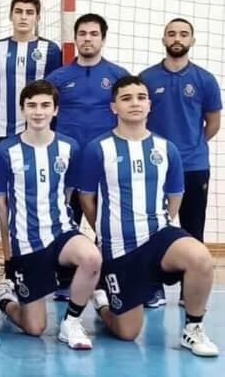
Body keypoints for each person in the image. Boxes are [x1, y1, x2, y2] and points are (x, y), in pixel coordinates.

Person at [79, 76, 218, 357]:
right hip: (119, 249)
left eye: (141, 97)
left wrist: (162, 225)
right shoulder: (98, 149)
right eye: (126, 98)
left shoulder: (166, 149)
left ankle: (193, 329)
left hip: (157, 238)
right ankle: (103, 301)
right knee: (127, 333)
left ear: (150, 105)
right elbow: (86, 199)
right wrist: (106, 231)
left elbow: (175, 195)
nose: (135, 103)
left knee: (201, 257)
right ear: (114, 107)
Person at [0, 80, 102, 350]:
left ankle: (71, 322)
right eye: (32, 105)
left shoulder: (70, 148)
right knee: (34, 328)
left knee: (91, 257)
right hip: (26, 242)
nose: (38, 111)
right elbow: (1, 203)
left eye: (45, 105)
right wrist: (8, 251)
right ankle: (5, 299)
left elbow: (68, 193)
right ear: (22, 110)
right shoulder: (6, 151)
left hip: (60, 233)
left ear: (55, 110)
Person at [45, 13, 129, 301]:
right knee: (65, 220)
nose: (87, 39)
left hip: (105, 163)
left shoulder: (119, 76)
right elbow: (44, 117)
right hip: (67, 164)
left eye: (94, 34)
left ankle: (108, 278)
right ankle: (65, 279)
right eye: (82, 33)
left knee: (107, 220)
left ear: (103, 39)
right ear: (75, 38)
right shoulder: (58, 78)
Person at [141, 18, 222, 306]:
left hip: (194, 166)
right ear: (164, 40)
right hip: (155, 166)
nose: (177, 38)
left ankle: (190, 291)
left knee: (192, 228)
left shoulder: (205, 79)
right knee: (151, 228)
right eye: (172, 33)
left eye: (184, 34)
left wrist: (190, 147)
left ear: (192, 41)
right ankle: (152, 288)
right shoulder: (147, 79)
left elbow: (213, 123)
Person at [0, 0, 62, 148]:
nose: (23, 17)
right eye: (18, 11)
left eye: (29, 12)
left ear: (38, 18)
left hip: (39, 129)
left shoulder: (50, 50)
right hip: (4, 129)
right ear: (10, 16)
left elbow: (54, 92)